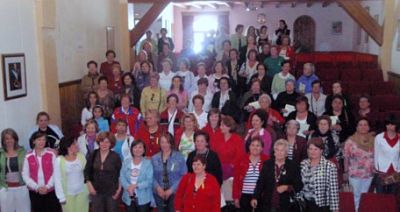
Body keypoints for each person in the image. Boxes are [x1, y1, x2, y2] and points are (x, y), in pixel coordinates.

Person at [251, 139, 303, 212]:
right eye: (277, 150)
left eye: (282, 150)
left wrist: (287, 187)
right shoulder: (267, 164)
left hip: (286, 206)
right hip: (267, 204)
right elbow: (260, 183)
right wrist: (255, 197)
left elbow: (299, 185)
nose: (279, 153)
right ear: (274, 152)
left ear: (286, 153)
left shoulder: (293, 166)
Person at [22, 132, 61, 212]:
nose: (42, 142)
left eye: (44, 140)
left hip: (51, 191)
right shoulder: (28, 156)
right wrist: (36, 187)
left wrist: (48, 186)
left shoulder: (51, 154)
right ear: (33, 141)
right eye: (39, 140)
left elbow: (56, 172)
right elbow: (25, 175)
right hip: (35, 192)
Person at [84, 132, 121, 212]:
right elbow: (87, 171)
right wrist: (90, 186)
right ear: (98, 142)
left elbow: (120, 174)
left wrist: (119, 190)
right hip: (96, 191)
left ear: (111, 143)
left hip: (111, 192)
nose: (104, 144)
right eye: (102, 141)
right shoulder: (93, 154)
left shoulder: (115, 156)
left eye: (107, 142)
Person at [343, 118, 375, 211]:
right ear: (356, 127)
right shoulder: (350, 141)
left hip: (369, 173)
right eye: (360, 125)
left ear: (369, 127)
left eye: (365, 125)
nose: (363, 127)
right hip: (354, 173)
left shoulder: (374, 140)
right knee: (356, 195)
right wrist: (345, 172)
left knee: (365, 194)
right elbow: (346, 157)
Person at [300, 138, 339, 212]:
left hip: (322, 206)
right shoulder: (303, 164)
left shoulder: (330, 166)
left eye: (316, 149)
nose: (312, 152)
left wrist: (335, 209)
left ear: (321, 151)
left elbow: (333, 191)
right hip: (306, 205)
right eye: (310, 149)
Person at [152, 133, 187, 212]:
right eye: (162, 142)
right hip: (159, 192)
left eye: (167, 142)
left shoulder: (179, 156)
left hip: (175, 192)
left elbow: (184, 175)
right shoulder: (154, 158)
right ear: (159, 143)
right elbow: (151, 176)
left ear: (171, 143)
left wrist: (171, 190)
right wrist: (158, 188)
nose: (165, 145)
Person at [232, 137, 268, 211]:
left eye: (258, 145)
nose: (255, 147)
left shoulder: (267, 160)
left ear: (262, 148)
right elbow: (236, 181)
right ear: (249, 147)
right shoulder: (241, 159)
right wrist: (236, 197)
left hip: (261, 195)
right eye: (253, 145)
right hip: (244, 195)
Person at [54, 136, 89, 212]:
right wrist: (61, 197)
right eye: (74, 143)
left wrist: (89, 190)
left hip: (82, 193)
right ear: (67, 146)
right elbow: (57, 180)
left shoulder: (81, 156)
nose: (77, 144)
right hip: (67, 195)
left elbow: (87, 175)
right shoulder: (59, 160)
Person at [0, 129, 29, 212]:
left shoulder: (23, 152)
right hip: (6, 189)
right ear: (3, 140)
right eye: (7, 138)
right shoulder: (0, 154)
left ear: (15, 139)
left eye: (11, 138)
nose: (9, 140)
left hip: (22, 187)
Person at [120, 140, 153, 211]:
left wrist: (135, 186)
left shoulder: (148, 163)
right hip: (128, 196)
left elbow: (149, 181)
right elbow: (122, 177)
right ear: (131, 149)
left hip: (144, 198)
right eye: (135, 147)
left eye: (140, 147)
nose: (137, 149)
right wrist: (128, 187)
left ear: (144, 150)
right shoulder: (126, 162)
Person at [212, 116, 245, 181]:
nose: (220, 127)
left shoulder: (237, 139)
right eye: (220, 125)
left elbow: (240, 155)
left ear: (229, 127)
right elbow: (213, 152)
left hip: (232, 170)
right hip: (217, 168)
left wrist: (231, 166)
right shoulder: (216, 136)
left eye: (223, 125)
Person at [374, 114, 400, 195]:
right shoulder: (379, 137)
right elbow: (376, 153)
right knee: (380, 196)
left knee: (392, 197)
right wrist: (376, 169)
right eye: (388, 124)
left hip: (395, 170)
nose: (390, 126)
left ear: (396, 125)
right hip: (381, 171)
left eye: (392, 124)